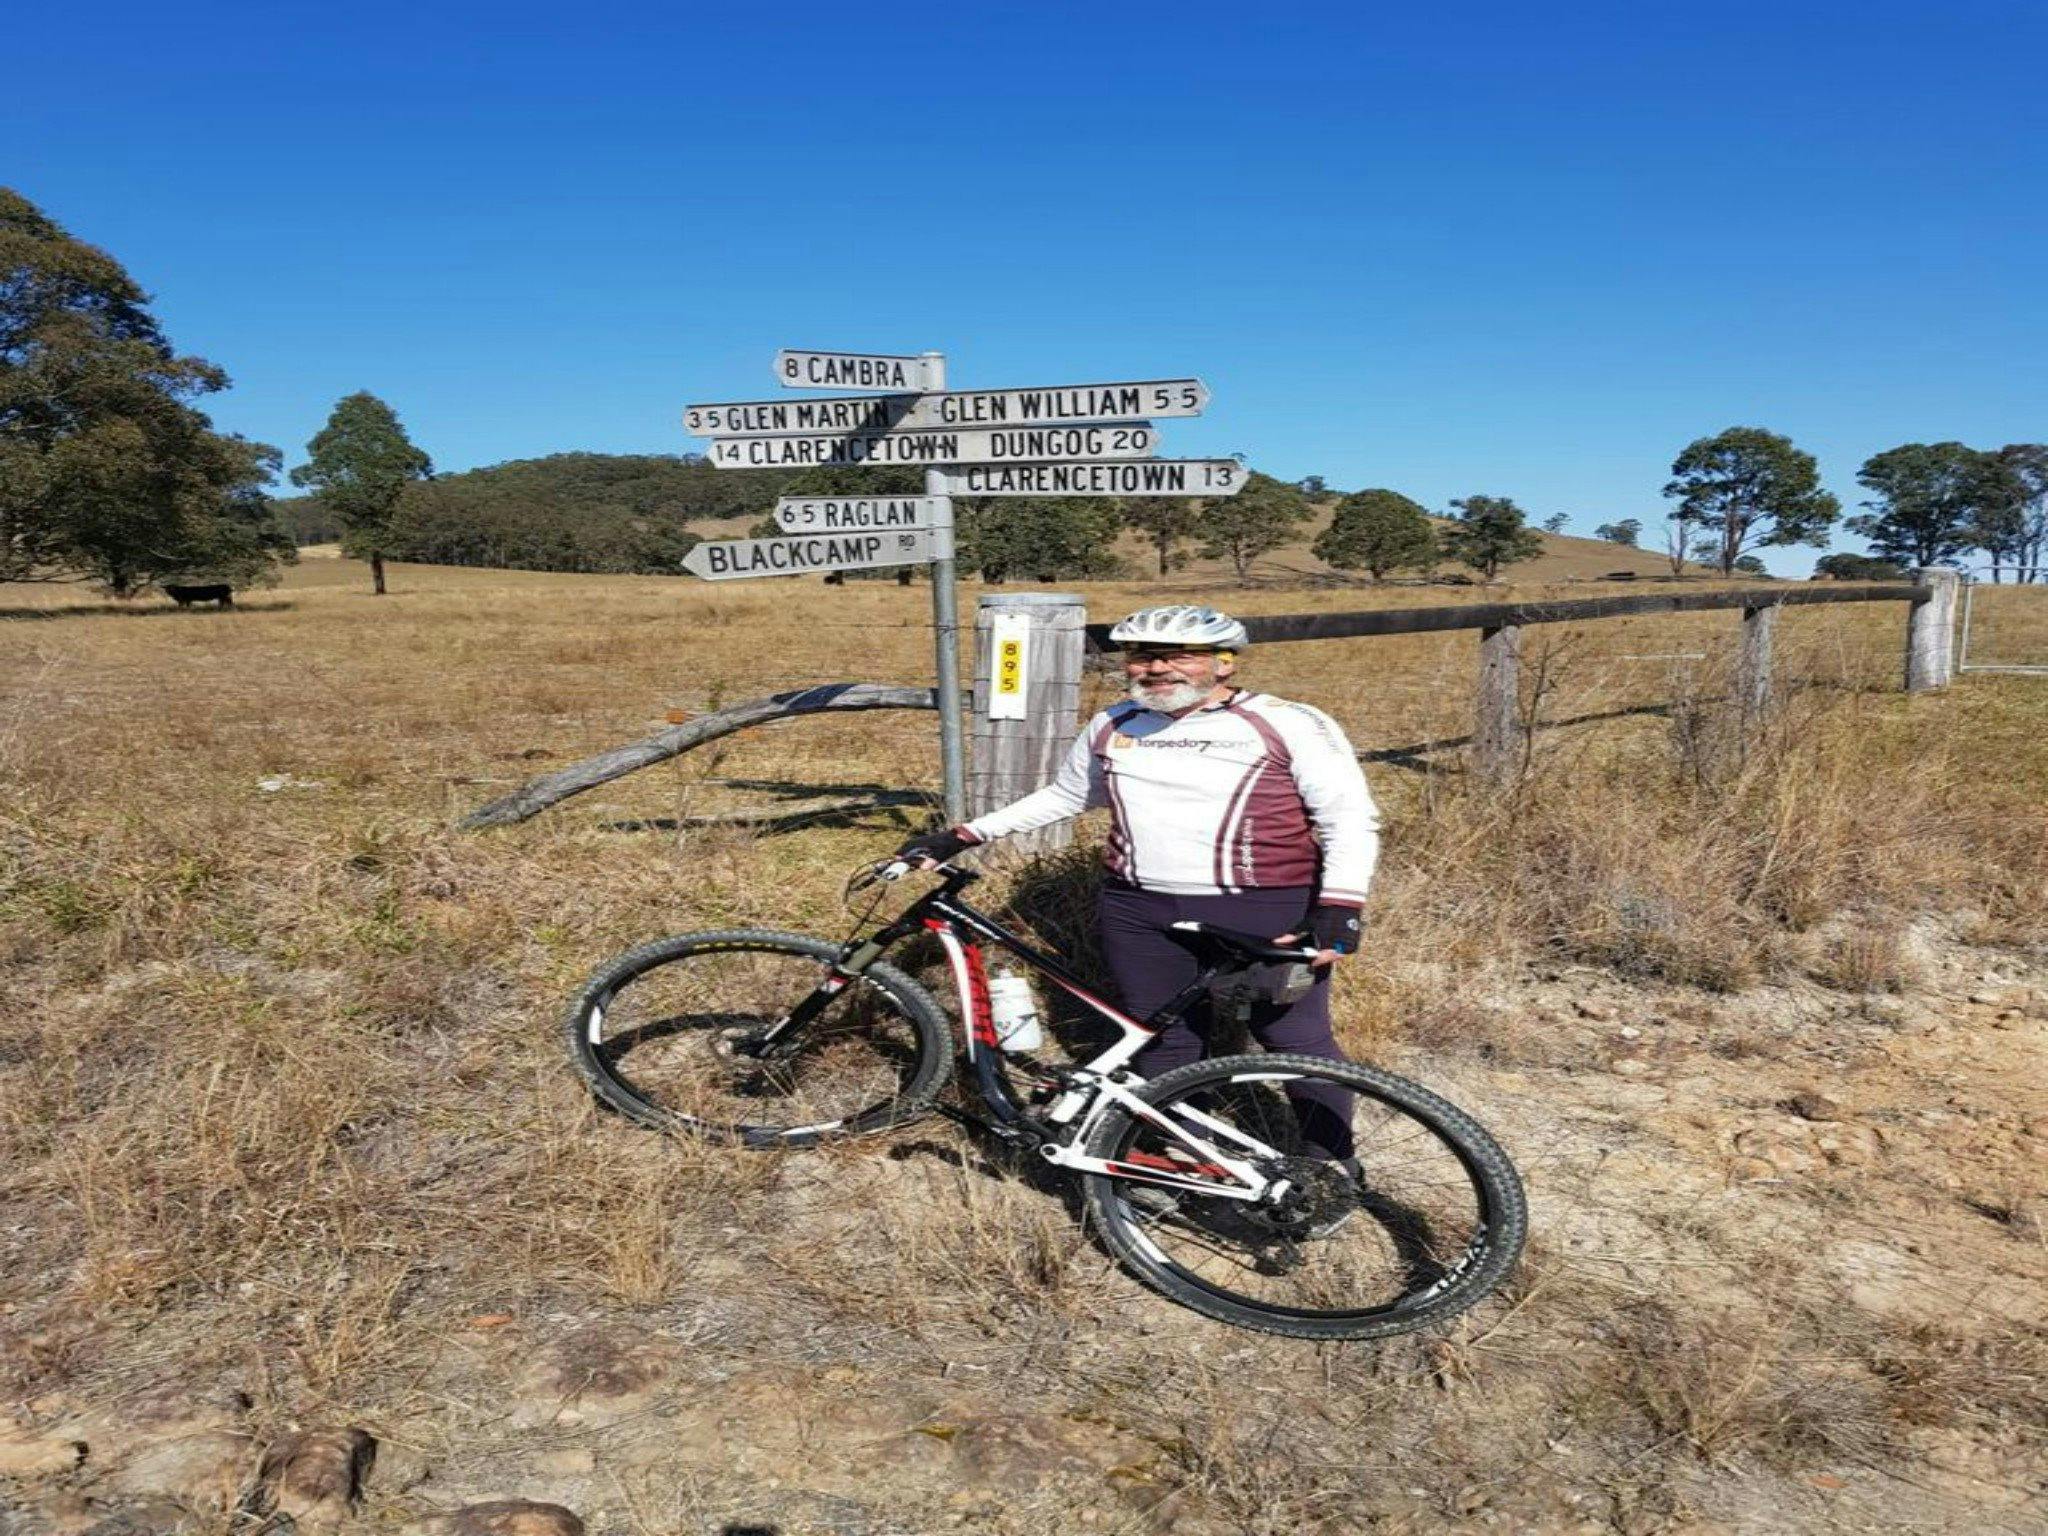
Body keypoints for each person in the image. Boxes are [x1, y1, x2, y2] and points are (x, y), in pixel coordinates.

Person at [896, 603, 1380, 1161]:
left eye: (1176, 657)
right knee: (1163, 1040)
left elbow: (1347, 818)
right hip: (1138, 910)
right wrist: (963, 835)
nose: (1153, 669)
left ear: (1224, 663)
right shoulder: (1115, 723)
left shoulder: (1288, 722)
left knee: (1295, 1040)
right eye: (1140, 657)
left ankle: (1331, 1162)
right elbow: (1068, 796)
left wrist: (1340, 905)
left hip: (1262, 906)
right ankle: (1193, 1159)